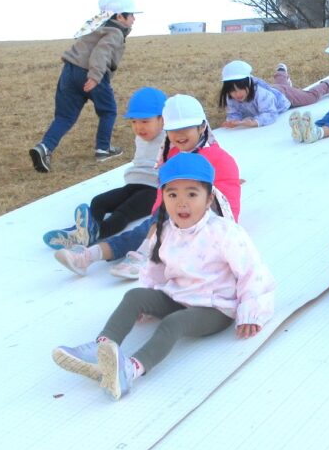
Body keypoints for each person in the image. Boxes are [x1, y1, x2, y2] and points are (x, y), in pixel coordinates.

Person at [51, 152, 275, 400]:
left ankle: (130, 370)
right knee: (135, 295)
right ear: (163, 199)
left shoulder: (225, 233)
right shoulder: (166, 231)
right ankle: (101, 347)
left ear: (209, 197)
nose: (182, 203)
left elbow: (252, 272)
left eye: (192, 194)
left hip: (214, 307)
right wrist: (149, 299)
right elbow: (154, 267)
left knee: (174, 323)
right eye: (172, 194)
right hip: (178, 296)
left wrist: (251, 313)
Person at [53, 94, 242, 278]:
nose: (179, 135)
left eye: (186, 128)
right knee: (144, 228)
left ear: (202, 127)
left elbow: (228, 201)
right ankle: (87, 256)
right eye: (173, 129)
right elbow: (164, 190)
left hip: (206, 225)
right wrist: (156, 213)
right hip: (173, 216)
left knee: (162, 222)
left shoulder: (219, 159)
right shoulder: (173, 155)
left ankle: (145, 256)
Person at [43, 87, 167, 250]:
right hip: (134, 183)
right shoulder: (140, 137)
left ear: (163, 119)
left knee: (123, 212)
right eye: (134, 122)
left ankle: (97, 233)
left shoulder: (170, 137)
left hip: (154, 190)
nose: (139, 127)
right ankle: (80, 231)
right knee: (99, 201)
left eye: (145, 121)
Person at [29, 0, 139, 173]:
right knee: (108, 110)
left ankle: (44, 148)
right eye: (132, 14)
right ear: (120, 16)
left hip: (69, 71)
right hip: (90, 73)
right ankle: (103, 149)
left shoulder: (95, 28)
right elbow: (101, 52)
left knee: (65, 116)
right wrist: (95, 77)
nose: (134, 18)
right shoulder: (115, 31)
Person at [217, 60, 291, 128]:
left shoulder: (261, 93)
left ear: (249, 84)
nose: (237, 94)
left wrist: (256, 122)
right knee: (281, 84)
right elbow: (234, 112)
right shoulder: (230, 97)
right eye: (232, 91)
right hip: (273, 90)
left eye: (241, 88)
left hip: (284, 96)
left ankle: (281, 72)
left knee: (300, 96)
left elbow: (271, 113)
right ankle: (281, 72)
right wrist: (233, 121)